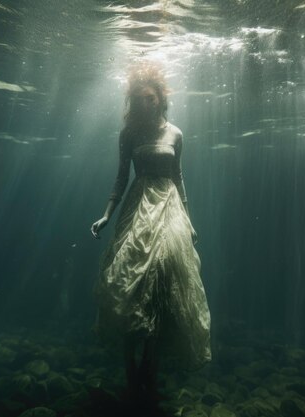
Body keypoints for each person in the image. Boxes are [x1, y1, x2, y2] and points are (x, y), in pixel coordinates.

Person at [90, 63, 211, 406]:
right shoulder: (129, 134)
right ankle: (131, 370)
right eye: (138, 99)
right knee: (128, 283)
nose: (145, 104)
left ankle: (150, 370)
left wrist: (188, 220)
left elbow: (179, 177)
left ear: (160, 98)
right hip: (137, 208)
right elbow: (120, 178)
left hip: (169, 211)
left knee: (164, 286)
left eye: (149, 98)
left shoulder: (176, 133)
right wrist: (105, 215)